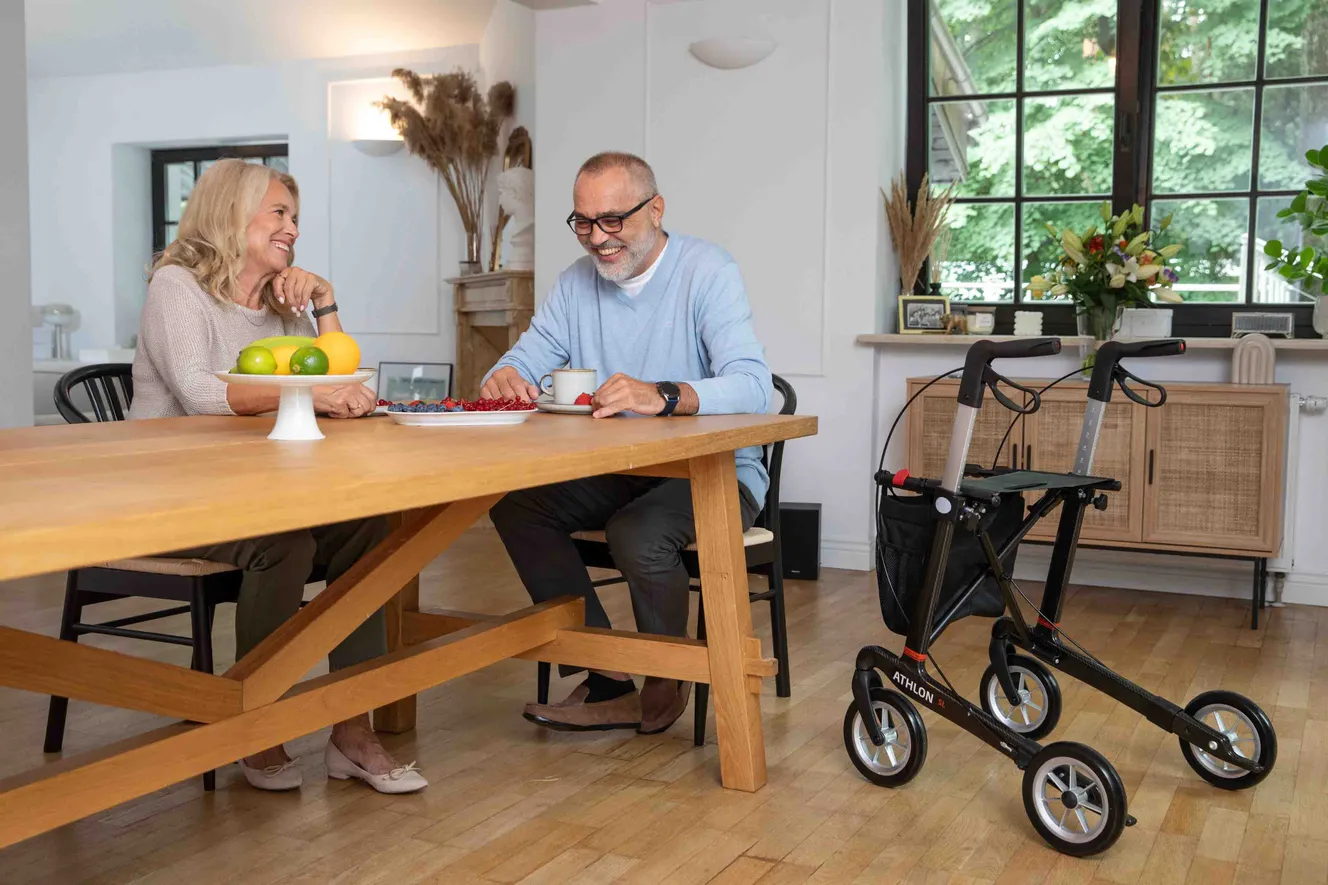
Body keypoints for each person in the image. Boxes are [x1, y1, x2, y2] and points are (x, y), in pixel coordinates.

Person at [129, 159, 426, 794]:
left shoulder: (281, 301)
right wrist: (314, 397)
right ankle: (256, 723)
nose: (293, 227)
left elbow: (338, 373)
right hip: (167, 501)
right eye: (279, 213)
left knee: (372, 528)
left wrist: (324, 304)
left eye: (295, 216)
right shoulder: (175, 287)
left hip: (261, 495)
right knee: (284, 545)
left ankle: (353, 728)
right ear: (232, 215)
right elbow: (200, 392)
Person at [484, 151, 772, 735]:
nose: (598, 238)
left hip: (711, 471)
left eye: (613, 220)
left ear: (656, 209)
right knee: (516, 505)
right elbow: (527, 356)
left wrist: (662, 395)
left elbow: (754, 385)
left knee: (636, 532)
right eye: (584, 222)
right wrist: (504, 375)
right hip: (620, 465)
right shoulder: (574, 283)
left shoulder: (708, 270)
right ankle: (609, 675)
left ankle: (664, 682)